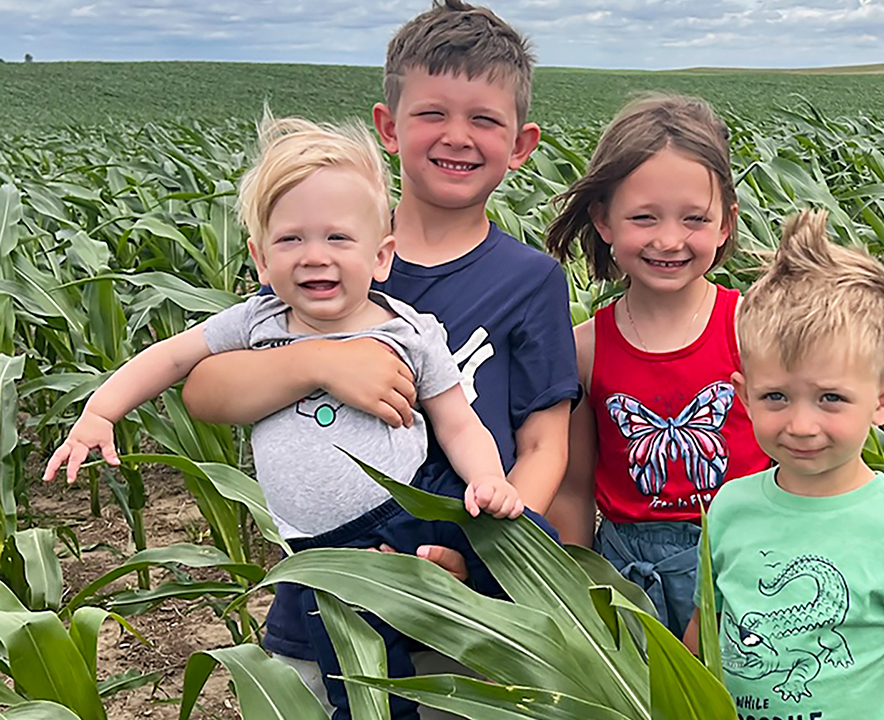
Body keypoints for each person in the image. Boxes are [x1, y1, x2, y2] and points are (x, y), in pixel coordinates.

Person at [43, 116, 530, 720]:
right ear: (260, 258)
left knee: (520, 537)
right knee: (361, 683)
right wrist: (100, 410)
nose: (314, 256)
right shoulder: (256, 324)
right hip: (320, 551)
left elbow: (458, 423)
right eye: (291, 240)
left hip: (412, 504)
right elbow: (171, 358)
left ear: (381, 256)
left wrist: (489, 479)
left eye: (338, 239)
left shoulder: (410, 332)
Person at [179, 2, 578, 717]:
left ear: (520, 144)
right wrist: (321, 367)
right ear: (390, 127)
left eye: (484, 119)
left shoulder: (531, 280)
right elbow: (205, 389)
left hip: (465, 602)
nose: (457, 137)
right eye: (432, 114)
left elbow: (547, 441)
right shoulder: (329, 250)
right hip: (328, 591)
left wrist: (487, 554)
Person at [684, 210, 884, 720]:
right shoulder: (728, 507)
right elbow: (703, 630)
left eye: (831, 399)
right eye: (776, 396)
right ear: (744, 396)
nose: (800, 424)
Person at [544, 94, 771, 637]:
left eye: (694, 219)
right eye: (644, 218)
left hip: (745, 566)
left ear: (725, 224)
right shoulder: (585, 349)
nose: (669, 240)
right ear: (602, 219)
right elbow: (573, 490)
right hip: (628, 576)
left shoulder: (754, 330)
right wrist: (578, 597)